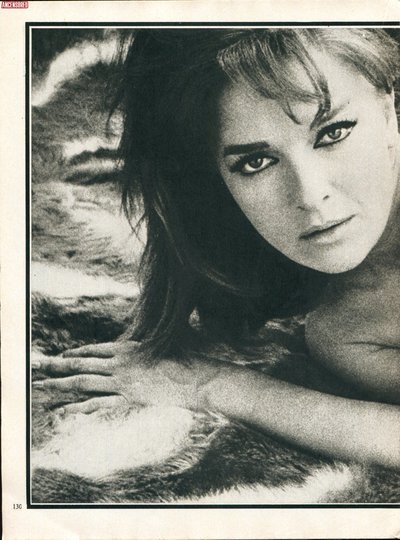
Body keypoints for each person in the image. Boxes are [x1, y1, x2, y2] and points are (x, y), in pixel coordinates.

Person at [34, 28, 400, 469]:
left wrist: (223, 387)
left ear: (387, 108)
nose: (309, 194)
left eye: (334, 132)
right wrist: (206, 384)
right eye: (256, 162)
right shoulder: (345, 332)